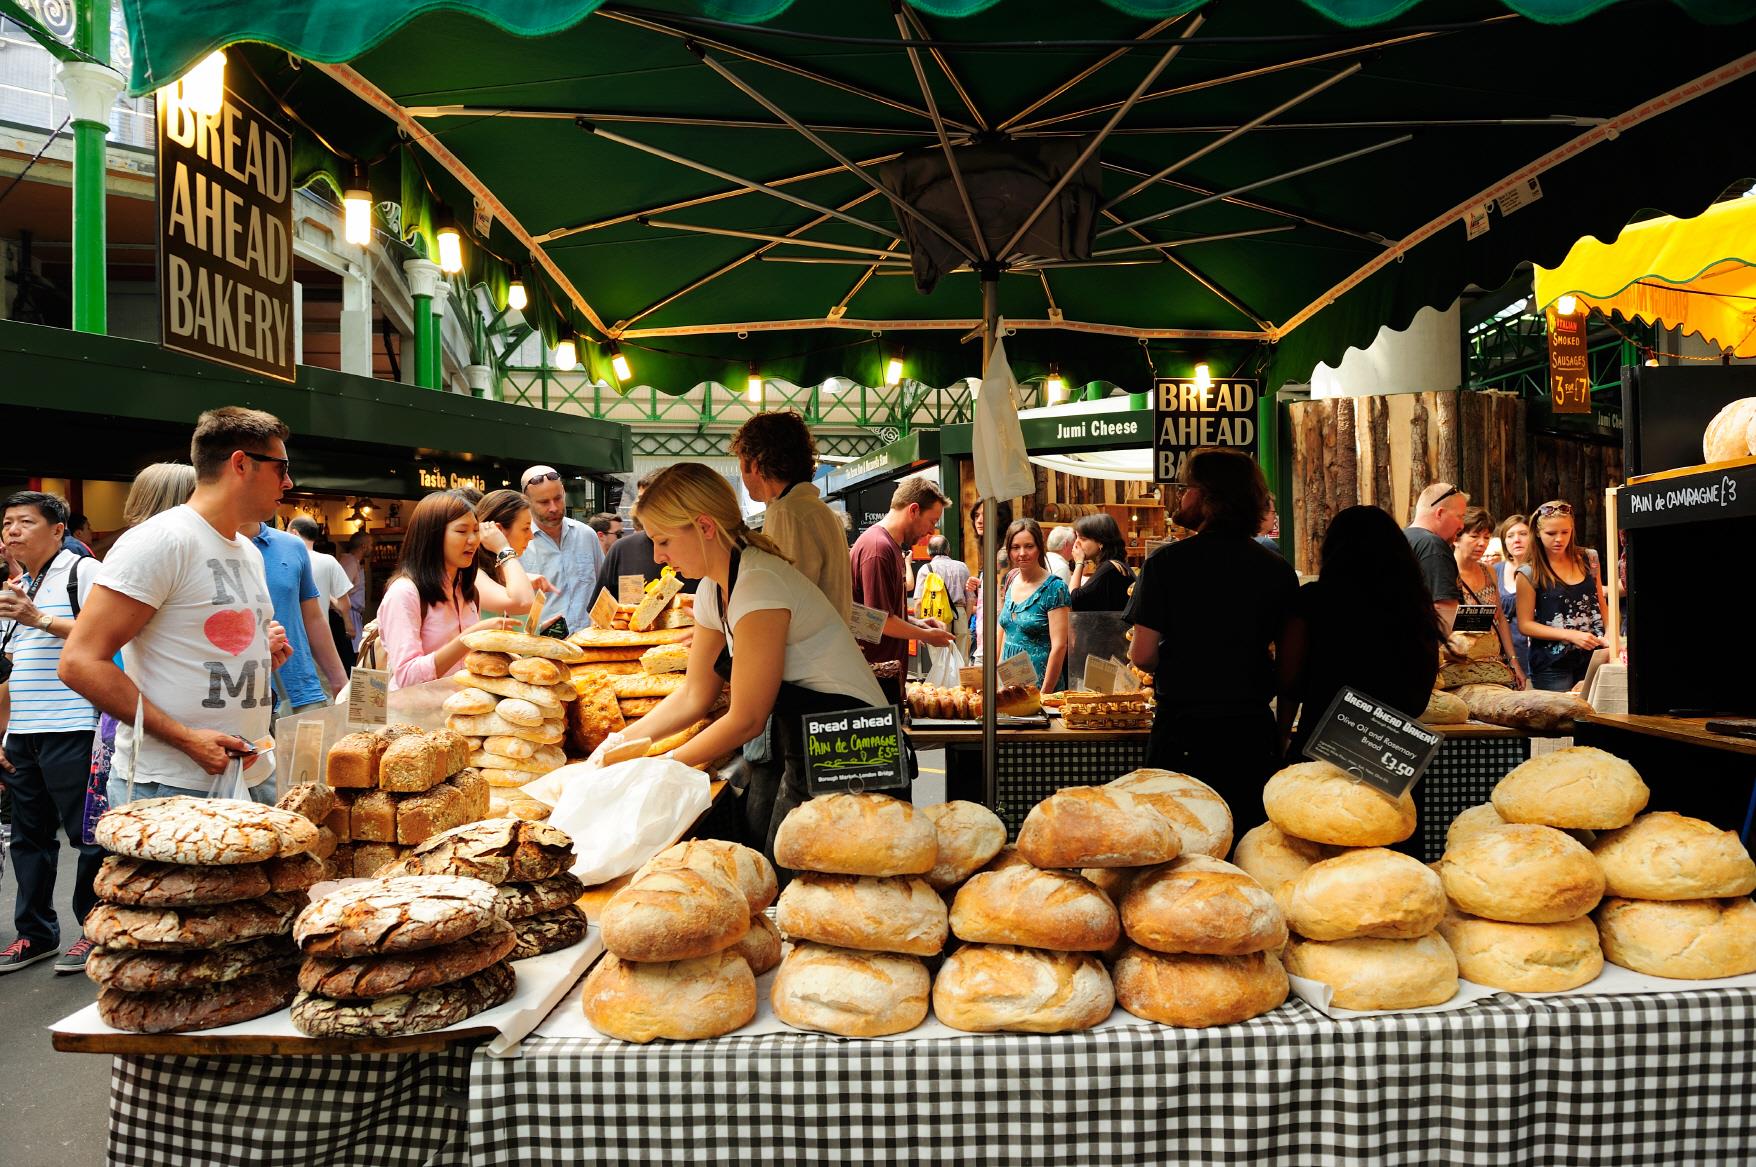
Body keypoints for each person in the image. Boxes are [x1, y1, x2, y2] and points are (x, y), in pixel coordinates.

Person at [607, 464, 887, 866]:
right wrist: (620, 745)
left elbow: (746, 719)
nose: (658, 556)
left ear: (704, 526)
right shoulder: (711, 589)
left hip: (853, 742)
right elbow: (693, 695)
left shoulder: (759, 583)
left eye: (663, 539)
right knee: (786, 872)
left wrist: (663, 766)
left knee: (821, 883)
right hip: (808, 737)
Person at [60, 407, 294, 809]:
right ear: (241, 463)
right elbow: (80, 662)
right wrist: (185, 739)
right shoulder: (161, 540)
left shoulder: (247, 551)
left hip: (252, 773)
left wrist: (258, 656)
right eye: (281, 468)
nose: (288, 482)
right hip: (170, 785)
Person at [1126, 448, 1297, 840]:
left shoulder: (1166, 564)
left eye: (1187, 488)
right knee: (1247, 846)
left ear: (1208, 497)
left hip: (1182, 732)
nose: (1181, 498)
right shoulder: (1276, 570)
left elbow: (1142, 654)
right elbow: (1291, 669)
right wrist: (1282, 733)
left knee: (1177, 846)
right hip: (1249, 733)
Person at [0, 491, 102, 974]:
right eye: (7, 524)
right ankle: (35, 934)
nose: (12, 531)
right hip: (23, 729)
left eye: (25, 522)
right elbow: (13, 667)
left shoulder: (84, 573)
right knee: (28, 835)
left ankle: (94, 930)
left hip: (74, 724)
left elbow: (106, 634)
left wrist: (37, 618)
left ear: (58, 529)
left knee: (89, 835)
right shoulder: (17, 584)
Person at [1277, 505, 1443, 758]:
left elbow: (1289, 681)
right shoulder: (1413, 607)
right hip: (1392, 752)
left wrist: (1281, 738)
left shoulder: (1312, 601)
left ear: (1333, 549)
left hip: (1321, 743)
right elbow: (1419, 697)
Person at [376, 492, 532, 689]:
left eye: (476, 531)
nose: (473, 540)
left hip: (462, 709)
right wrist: (471, 636)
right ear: (432, 535)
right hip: (417, 714)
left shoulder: (465, 589)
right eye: (461, 531)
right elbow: (408, 676)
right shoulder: (404, 593)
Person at [733, 410, 851, 620]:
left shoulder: (786, 512)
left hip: (806, 650)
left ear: (755, 465)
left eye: (741, 464)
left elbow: (783, 604)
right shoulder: (816, 510)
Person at [850, 477, 955, 704]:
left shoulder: (888, 546)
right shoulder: (879, 548)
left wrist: (919, 623)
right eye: (931, 521)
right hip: (875, 678)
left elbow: (881, 613)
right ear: (914, 510)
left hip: (882, 674)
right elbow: (882, 622)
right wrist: (926, 636)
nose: (930, 532)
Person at [242, 518, 347, 714]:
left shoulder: (291, 546)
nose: (287, 485)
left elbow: (313, 617)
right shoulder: (201, 543)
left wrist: (340, 680)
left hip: (300, 689)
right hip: (235, 696)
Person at [1515, 500, 1608, 692]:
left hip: (1594, 654)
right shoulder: (1529, 572)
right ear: (1538, 534)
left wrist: (1610, 635)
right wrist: (1571, 635)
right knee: (1560, 716)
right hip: (1552, 662)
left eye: (1565, 532)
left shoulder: (1589, 558)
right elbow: (1525, 624)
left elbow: (1600, 603)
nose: (1559, 539)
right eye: (1551, 533)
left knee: (1596, 714)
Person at [519, 464, 604, 633]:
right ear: (527, 501)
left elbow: (603, 588)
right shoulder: (519, 543)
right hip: (543, 646)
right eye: (543, 502)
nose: (554, 508)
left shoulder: (586, 535)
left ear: (564, 492)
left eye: (558, 498)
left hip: (588, 643)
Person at [1453, 507, 1526, 688]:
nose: (1482, 543)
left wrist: (1514, 661)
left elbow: (1500, 618)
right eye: (1474, 536)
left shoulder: (1489, 571)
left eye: (1486, 537)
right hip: (1459, 664)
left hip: (1494, 663)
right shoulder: (1446, 573)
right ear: (1456, 538)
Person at [997, 518, 1071, 692]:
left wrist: (1044, 695)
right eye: (1015, 547)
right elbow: (1003, 630)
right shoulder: (1011, 578)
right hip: (1007, 686)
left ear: (1039, 547)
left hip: (1040, 687)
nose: (1022, 553)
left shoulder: (1055, 588)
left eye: (1029, 546)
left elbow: (1060, 646)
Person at [599, 471, 697, 597]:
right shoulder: (622, 550)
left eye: (651, 502)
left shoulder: (698, 553)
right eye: (640, 500)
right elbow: (601, 610)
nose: (641, 508)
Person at [288, 518, 358, 675]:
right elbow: (344, 604)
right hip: (320, 638)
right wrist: (329, 599)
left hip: (291, 638)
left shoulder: (287, 560)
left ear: (294, 533)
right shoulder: (329, 561)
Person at [1404, 482, 1470, 632]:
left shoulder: (1402, 537)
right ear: (1439, 513)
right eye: (1460, 516)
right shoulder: (1432, 545)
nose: (1462, 526)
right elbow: (1444, 608)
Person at [911, 535, 972, 657]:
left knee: (940, 662)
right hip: (960, 615)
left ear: (928, 551)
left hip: (936, 617)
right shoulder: (962, 567)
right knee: (961, 662)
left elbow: (919, 602)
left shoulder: (926, 569)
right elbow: (970, 599)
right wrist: (965, 619)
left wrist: (921, 628)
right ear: (948, 550)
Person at [1066, 513, 1135, 611]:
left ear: (1101, 542)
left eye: (1083, 538)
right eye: (1076, 537)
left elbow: (1073, 600)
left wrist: (1079, 563)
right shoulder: (1115, 565)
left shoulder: (1109, 568)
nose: (1076, 542)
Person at [1493, 513, 1533, 676]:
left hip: (1534, 653)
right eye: (1510, 535)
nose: (1517, 540)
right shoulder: (1495, 570)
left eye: (1523, 534)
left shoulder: (1542, 571)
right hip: (1503, 654)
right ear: (1504, 541)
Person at [335, 529, 373, 652]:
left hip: (354, 615)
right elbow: (340, 592)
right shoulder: (350, 563)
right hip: (348, 614)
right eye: (371, 545)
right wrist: (347, 621)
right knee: (351, 657)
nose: (372, 548)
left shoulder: (354, 562)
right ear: (364, 546)